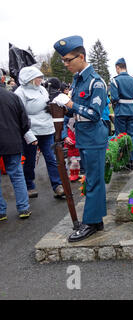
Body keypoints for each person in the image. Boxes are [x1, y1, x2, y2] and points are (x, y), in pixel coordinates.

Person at [52, 35, 109, 242]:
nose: (65, 64)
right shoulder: (77, 80)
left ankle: (90, 223)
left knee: (93, 181)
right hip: (84, 137)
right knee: (93, 180)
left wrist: (70, 105)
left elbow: (94, 113)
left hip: (94, 137)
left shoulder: (96, 81)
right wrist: (63, 108)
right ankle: (97, 220)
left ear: (81, 57)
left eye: (68, 60)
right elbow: (75, 112)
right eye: (63, 61)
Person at [14, 66, 65, 199]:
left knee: (50, 157)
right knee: (30, 160)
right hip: (31, 129)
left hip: (46, 128)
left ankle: (57, 185)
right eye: (38, 77)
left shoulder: (42, 89)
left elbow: (46, 102)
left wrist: (50, 107)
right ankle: (29, 185)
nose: (41, 79)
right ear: (30, 79)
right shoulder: (20, 92)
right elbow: (20, 114)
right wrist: (28, 134)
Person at [0, 86, 36, 221]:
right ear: (2, 79)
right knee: (17, 174)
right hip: (12, 141)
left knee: (16, 174)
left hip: (11, 140)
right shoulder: (13, 97)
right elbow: (25, 122)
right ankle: (23, 208)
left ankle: (1, 211)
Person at [110, 58, 133, 169]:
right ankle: (131, 161)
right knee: (132, 136)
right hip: (132, 111)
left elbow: (114, 97)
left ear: (118, 67)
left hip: (120, 111)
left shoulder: (115, 80)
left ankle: (122, 161)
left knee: (121, 137)